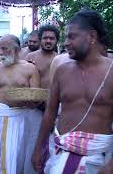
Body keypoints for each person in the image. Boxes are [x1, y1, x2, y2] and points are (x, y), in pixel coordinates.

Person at [32, 9, 113, 174]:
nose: (66, 43)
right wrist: (38, 148)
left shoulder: (111, 71)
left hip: (100, 156)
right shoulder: (62, 70)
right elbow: (50, 113)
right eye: (65, 37)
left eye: (71, 36)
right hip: (61, 153)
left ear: (92, 36)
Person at [0, 34, 42, 174]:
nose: (1, 52)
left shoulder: (30, 69)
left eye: (5, 49)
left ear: (17, 49)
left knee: (13, 155)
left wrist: (30, 100)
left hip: (19, 118)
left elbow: (36, 96)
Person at [25, 25, 60, 89]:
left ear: (56, 40)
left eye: (51, 38)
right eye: (45, 38)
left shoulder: (61, 59)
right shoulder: (30, 57)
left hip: (56, 97)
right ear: (40, 39)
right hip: (36, 97)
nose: (48, 41)